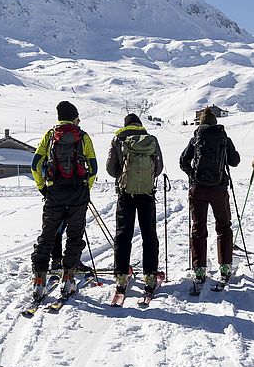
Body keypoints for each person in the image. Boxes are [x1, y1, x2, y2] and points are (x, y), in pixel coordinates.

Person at [30, 101, 98, 297]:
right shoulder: (83, 137)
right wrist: (85, 189)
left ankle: (39, 280)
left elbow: (35, 165)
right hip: (78, 194)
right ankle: (68, 279)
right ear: (74, 118)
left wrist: (43, 188)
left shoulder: (50, 135)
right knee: (75, 236)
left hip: (55, 193)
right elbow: (93, 168)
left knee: (47, 235)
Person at [179, 108, 240, 285]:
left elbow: (183, 161)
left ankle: (199, 269)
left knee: (198, 228)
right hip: (219, 188)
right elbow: (235, 161)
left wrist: (193, 175)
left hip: (198, 189)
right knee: (224, 226)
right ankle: (225, 266)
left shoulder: (196, 139)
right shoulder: (224, 139)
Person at [105, 113, 165, 292]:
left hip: (125, 193)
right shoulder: (151, 139)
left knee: (123, 234)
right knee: (149, 234)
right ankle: (150, 275)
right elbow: (159, 168)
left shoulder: (118, 139)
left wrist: (123, 175)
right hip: (147, 193)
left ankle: (121, 276)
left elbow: (110, 168)